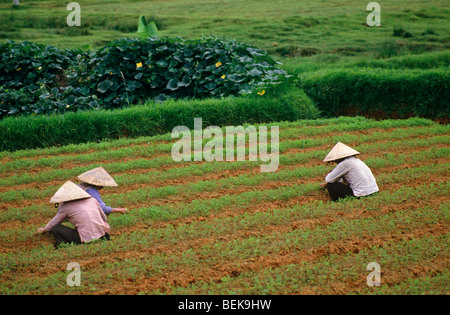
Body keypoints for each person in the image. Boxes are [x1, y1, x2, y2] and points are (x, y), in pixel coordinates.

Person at [37, 181, 111, 247]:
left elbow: (54, 222)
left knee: (56, 228)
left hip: (86, 238)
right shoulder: (92, 200)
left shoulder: (66, 207)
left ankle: (64, 245)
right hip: (104, 235)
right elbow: (104, 218)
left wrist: (44, 230)